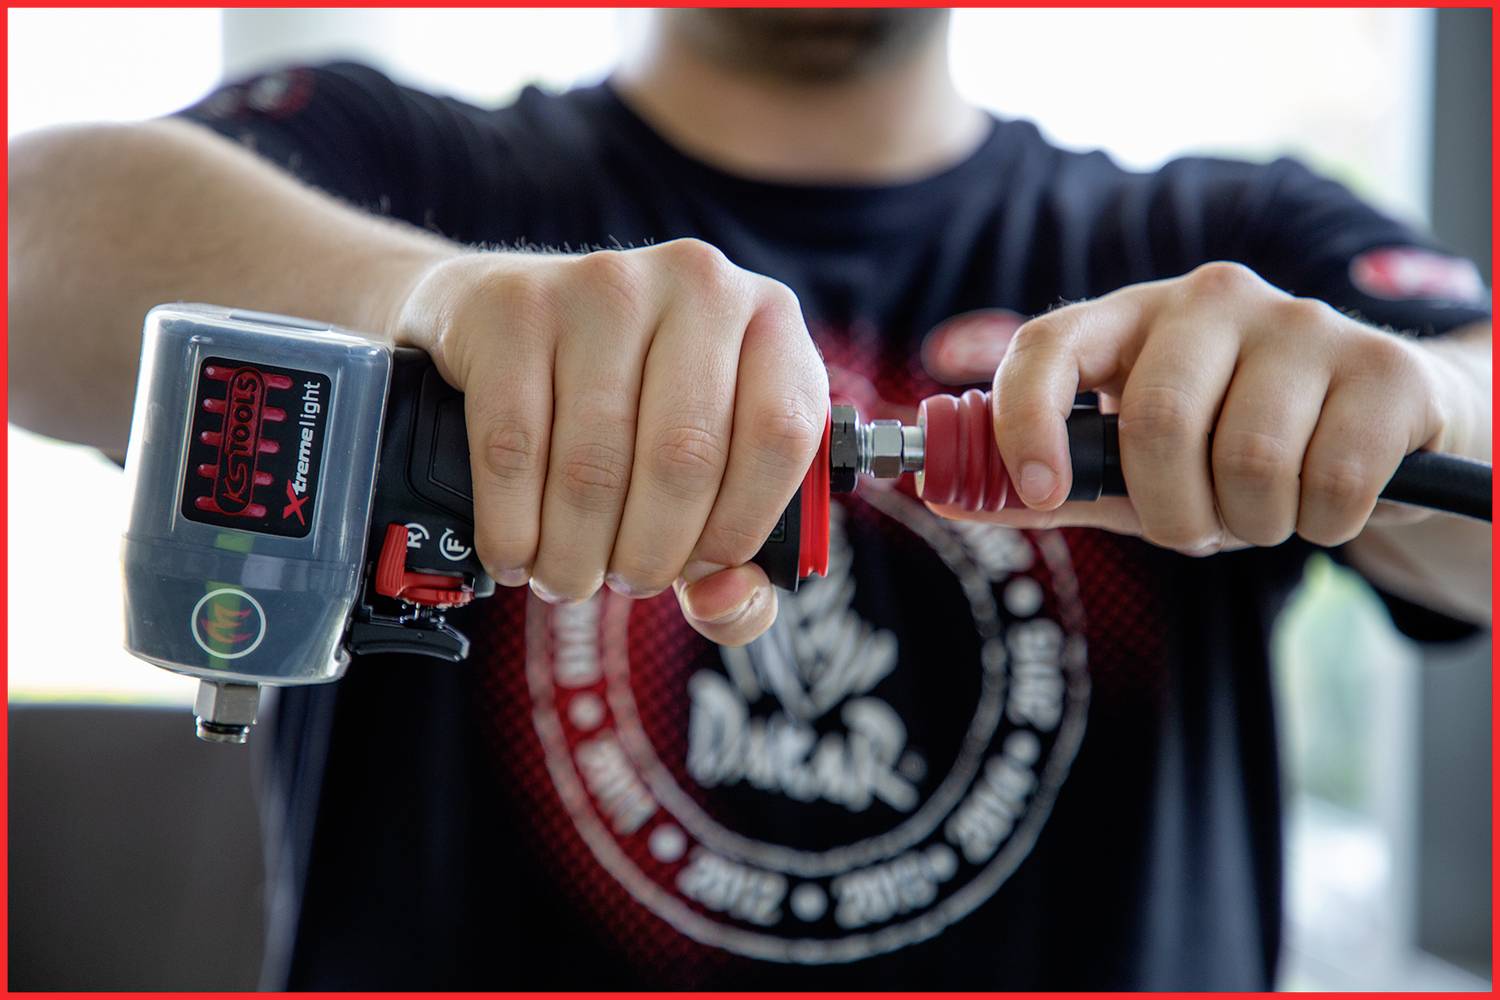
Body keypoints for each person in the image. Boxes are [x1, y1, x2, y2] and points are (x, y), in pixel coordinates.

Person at [8, 8, 1491, 990]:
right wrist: (418, 300)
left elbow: (1469, 443)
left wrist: (1411, 411)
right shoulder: (398, 169)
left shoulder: (1223, 235)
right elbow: (32, 238)